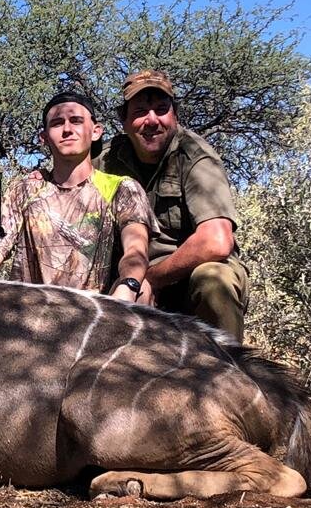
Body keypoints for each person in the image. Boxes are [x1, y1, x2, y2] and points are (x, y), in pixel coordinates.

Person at [94, 70, 249, 340]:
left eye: (161, 109)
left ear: (174, 114)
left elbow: (217, 241)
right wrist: (44, 177)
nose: (152, 120)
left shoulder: (196, 156)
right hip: (129, 279)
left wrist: (151, 280)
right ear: (124, 120)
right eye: (141, 111)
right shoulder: (107, 158)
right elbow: (67, 174)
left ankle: (229, 375)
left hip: (185, 277)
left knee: (214, 280)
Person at [0, 91, 156, 302]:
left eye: (76, 121)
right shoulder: (24, 190)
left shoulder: (122, 188)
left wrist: (128, 287)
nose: (68, 129)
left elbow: (135, 250)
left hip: (99, 318)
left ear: (96, 131)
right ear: (44, 138)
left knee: (141, 289)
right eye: (57, 123)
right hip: (32, 314)